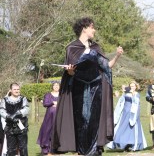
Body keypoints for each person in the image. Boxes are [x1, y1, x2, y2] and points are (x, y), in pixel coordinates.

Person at [52, 17, 123, 155]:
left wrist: (117, 56)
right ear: (84, 28)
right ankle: (83, 151)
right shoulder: (72, 48)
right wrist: (70, 70)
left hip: (96, 89)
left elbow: (106, 66)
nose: (94, 30)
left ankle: (95, 150)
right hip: (79, 90)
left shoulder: (96, 47)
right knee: (82, 120)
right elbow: (70, 72)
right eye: (92, 27)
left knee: (95, 121)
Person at [107, 81, 147, 151]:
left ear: (136, 87)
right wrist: (123, 93)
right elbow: (121, 101)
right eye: (131, 86)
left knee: (132, 129)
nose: (132, 87)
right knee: (122, 128)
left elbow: (136, 102)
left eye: (133, 86)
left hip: (133, 114)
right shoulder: (126, 93)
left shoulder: (136, 94)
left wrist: (132, 94)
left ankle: (132, 144)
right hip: (125, 113)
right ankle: (122, 143)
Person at [0, 83, 30, 156]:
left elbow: (26, 109)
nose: (17, 91)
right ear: (10, 90)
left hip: (21, 126)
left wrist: (17, 114)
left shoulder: (23, 99)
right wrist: (8, 116)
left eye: (18, 89)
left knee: (23, 147)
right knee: (11, 148)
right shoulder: (5, 100)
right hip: (10, 127)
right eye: (15, 89)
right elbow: (1, 110)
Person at [37, 82, 60, 155]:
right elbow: (45, 103)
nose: (56, 87)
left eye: (57, 85)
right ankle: (46, 149)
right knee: (47, 131)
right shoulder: (48, 94)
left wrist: (57, 103)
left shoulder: (62, 95)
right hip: (49, 117)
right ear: (52, 87)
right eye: (55, 85)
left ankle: (56, 149)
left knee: (57, 131)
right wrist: (53, 102)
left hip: (59, 117)